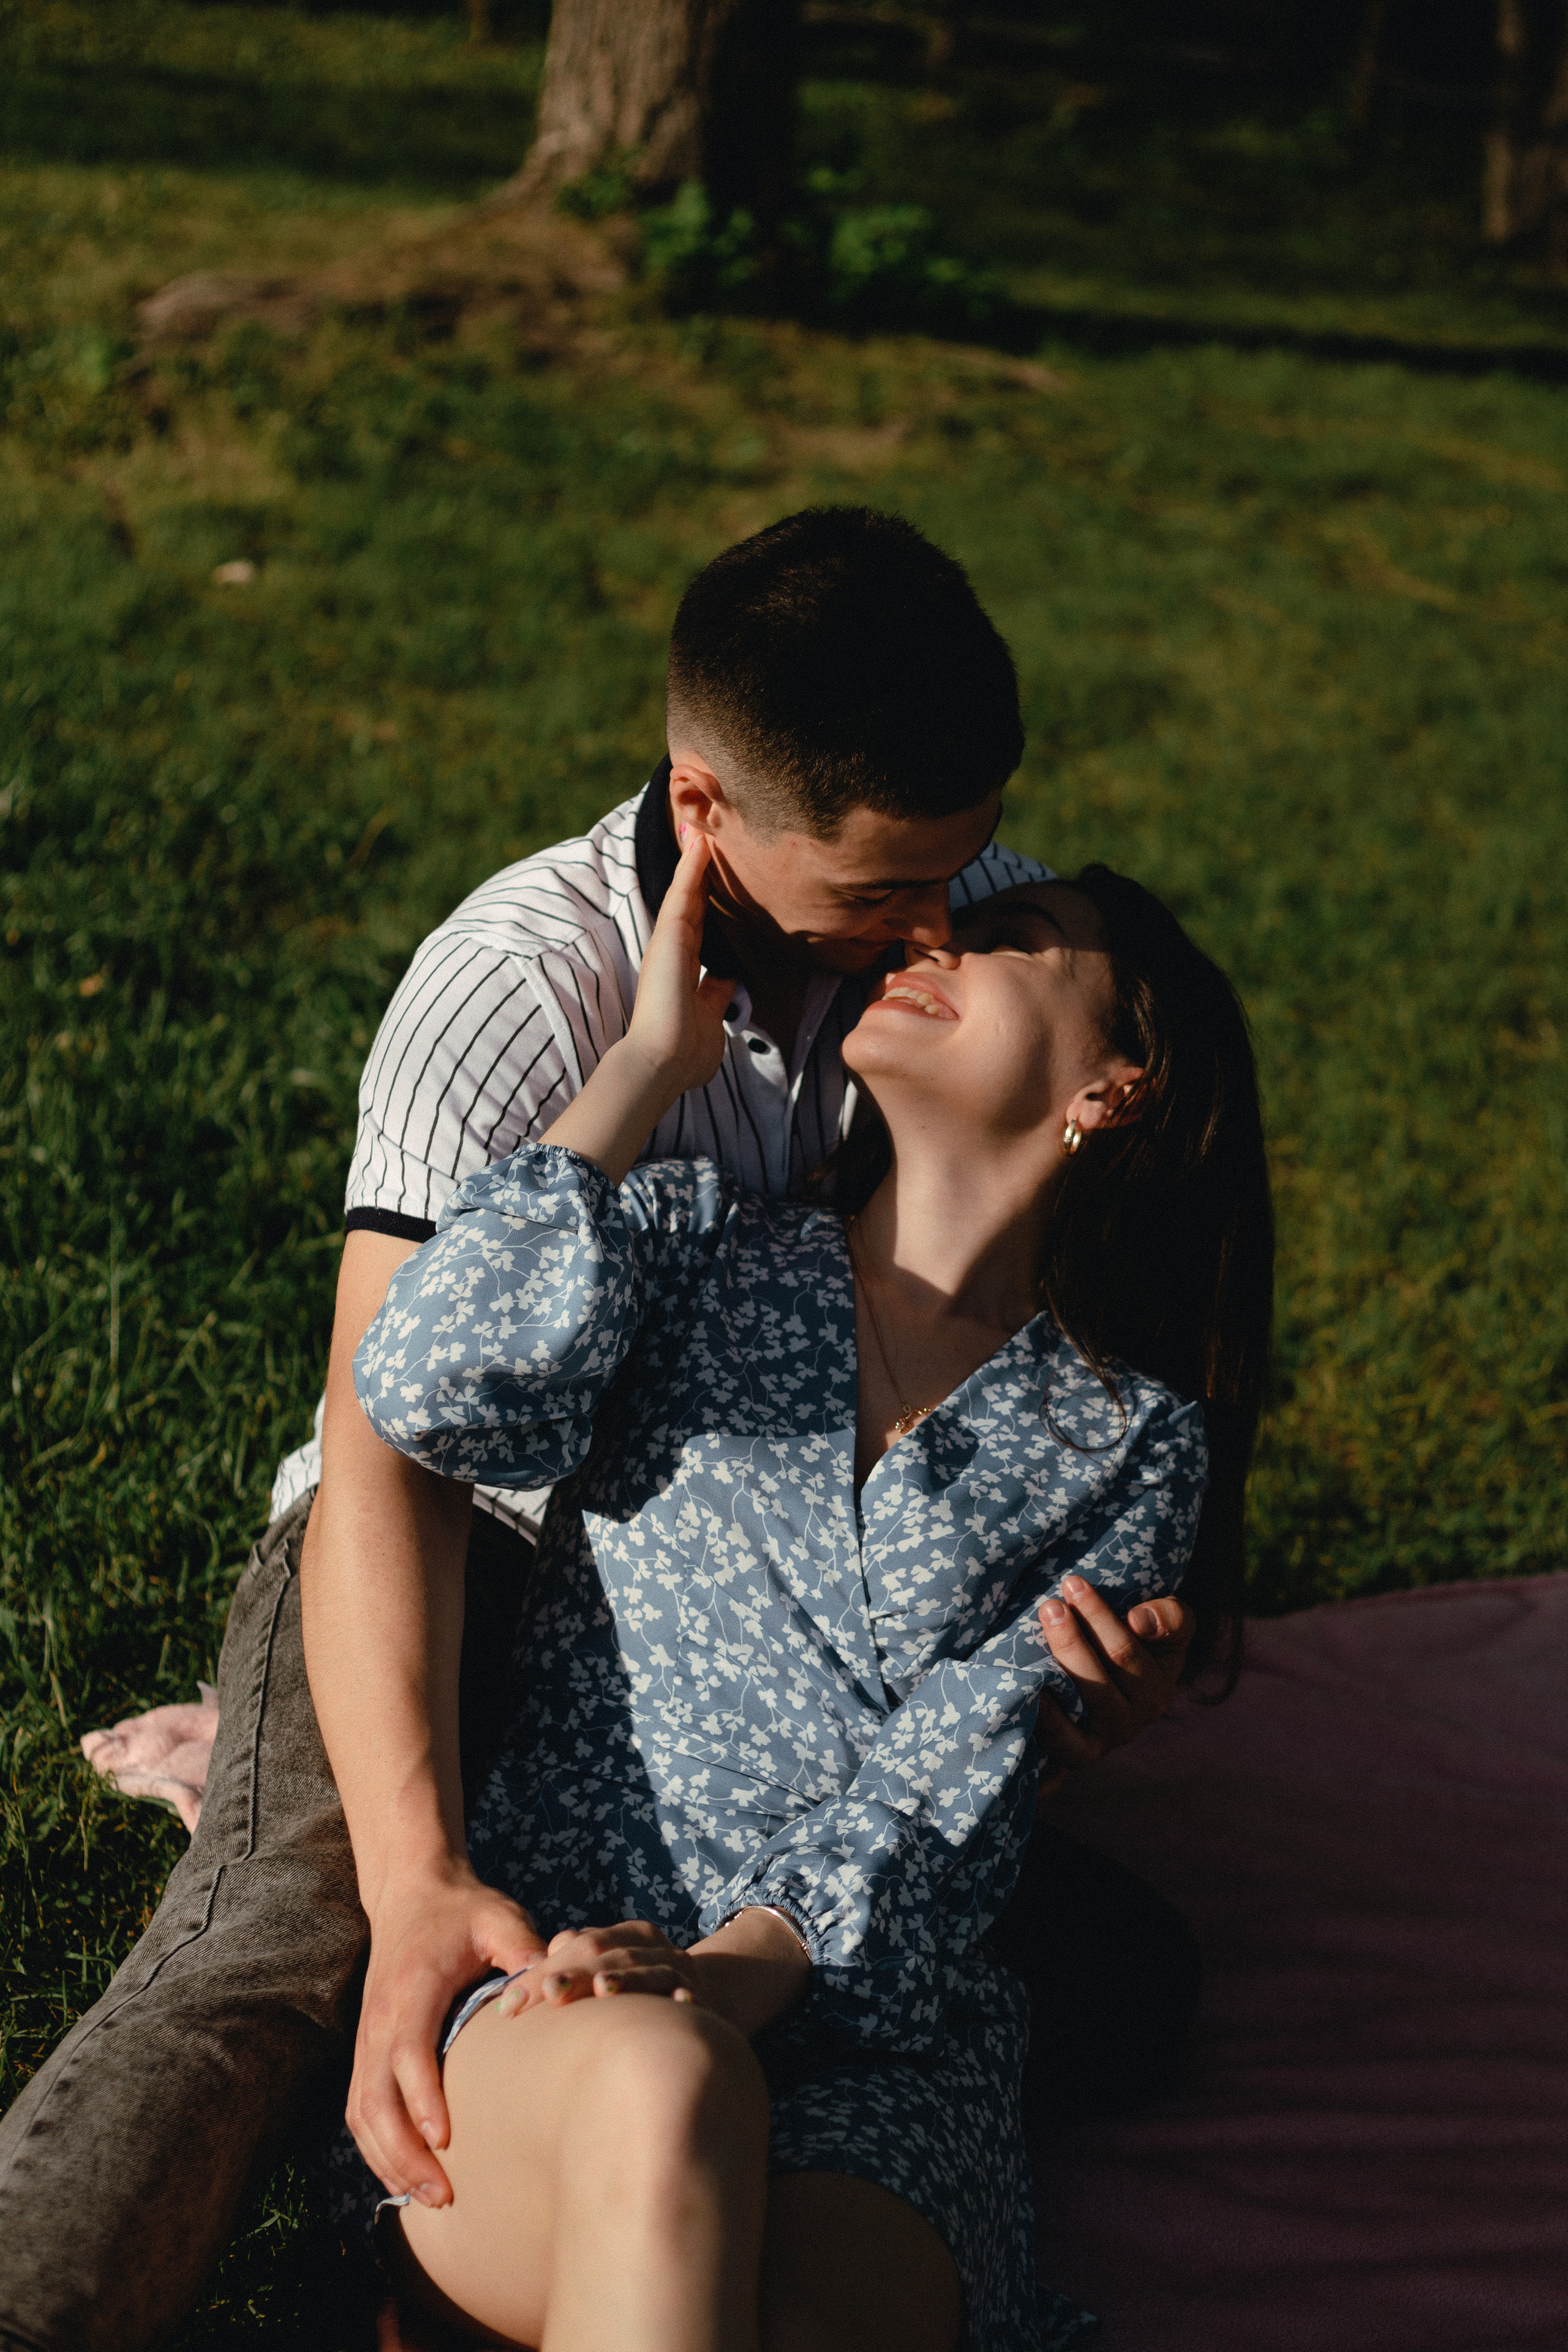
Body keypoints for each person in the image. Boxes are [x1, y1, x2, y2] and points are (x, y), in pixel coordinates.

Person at [0, 509, 1199, 2352]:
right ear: (709, 804)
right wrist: (412, 1884)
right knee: (274, 1959)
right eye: (890, 893)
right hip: (445, 1549)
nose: (934, 928)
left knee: (1132, 1980)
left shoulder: (957, 944)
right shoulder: (526, 994)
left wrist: (1080, 1712)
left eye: (967, 884)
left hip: (765, 1791)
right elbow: (396, 1434)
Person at [319, 826, 1273, 2352]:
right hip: (559, 1981)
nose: (929, 947)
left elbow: (951, 1791)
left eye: (1010, 938)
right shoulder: (690, 1246)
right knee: (661, 2083)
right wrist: (643, 1068)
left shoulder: (1127, 1444)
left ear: (1112, 1088)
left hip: (882, 2037)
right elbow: (424, 1387)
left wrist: (721, 1977)